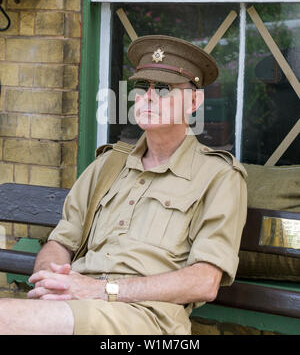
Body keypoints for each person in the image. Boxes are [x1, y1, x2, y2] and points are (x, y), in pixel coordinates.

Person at [0, 35, 247, 335]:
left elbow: (204, 282)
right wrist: (50, 279)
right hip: (77, 304)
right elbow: (61, 242)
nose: (149, 97)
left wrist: (102, 290)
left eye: (165, 89)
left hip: (147, 316)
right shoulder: (109, 165)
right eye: (143, 87)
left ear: (194, 101)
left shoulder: (219, 176)